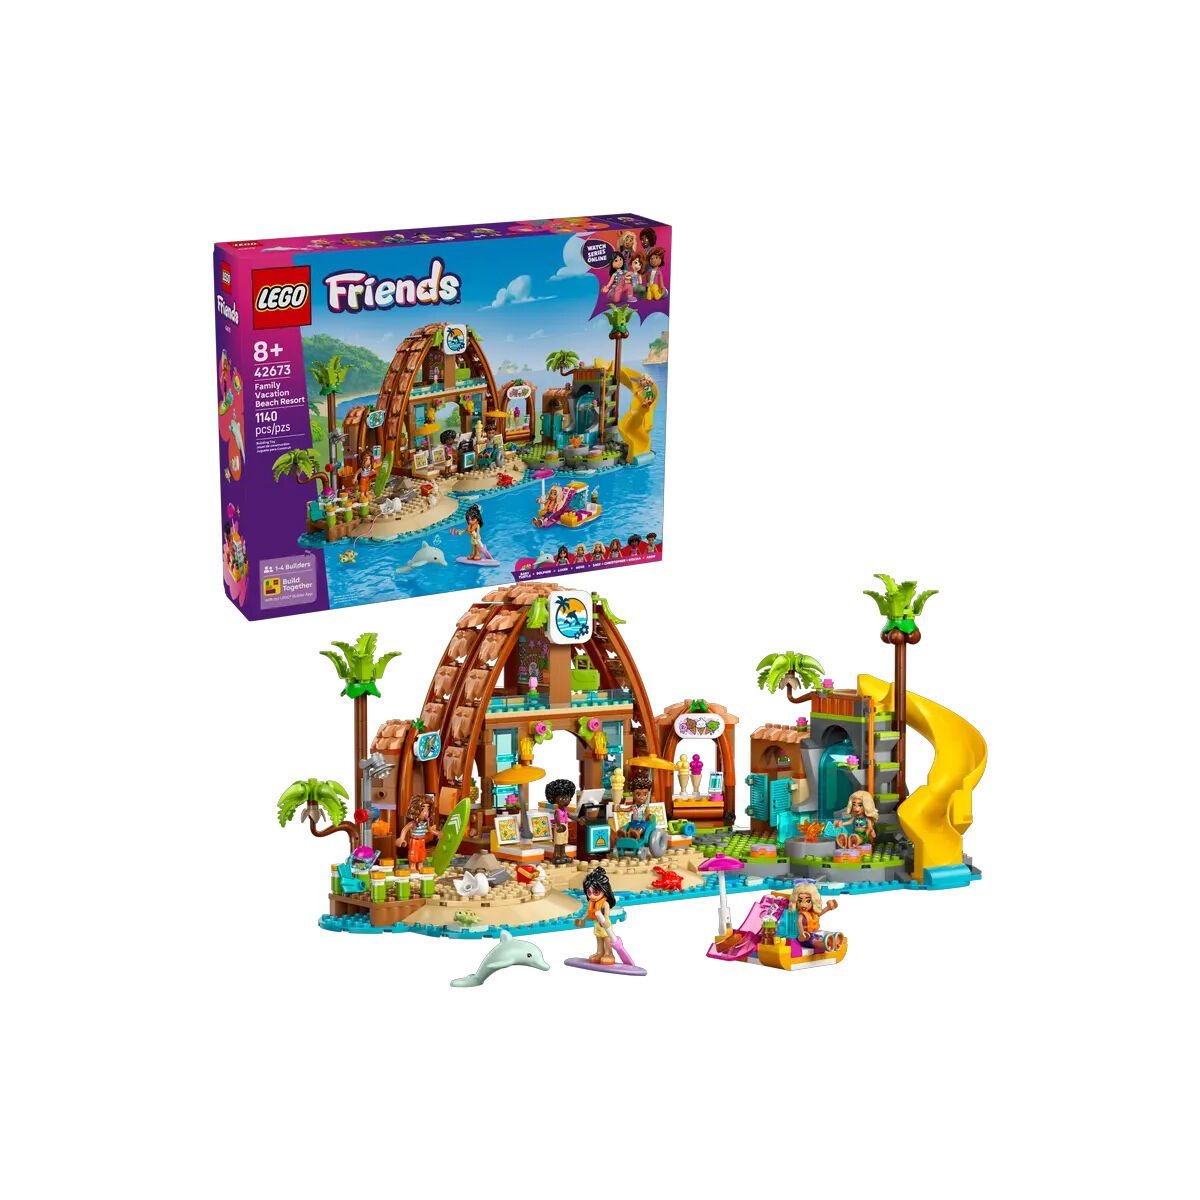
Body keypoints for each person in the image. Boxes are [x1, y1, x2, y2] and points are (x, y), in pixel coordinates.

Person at [575, 866, 618, 964]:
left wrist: (606, 921)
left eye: (595, 892)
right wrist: (583, 919)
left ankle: (609, 953)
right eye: (589, 892)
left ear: (604, 890)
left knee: (607, 939)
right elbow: (589, 912)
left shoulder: (605, 903)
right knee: (598, 939)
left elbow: (606, 915)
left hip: (605, 925)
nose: (592, 895)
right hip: (597, 924)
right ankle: (599, 952)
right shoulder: (592, 903)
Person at [788, 883, 843, 953]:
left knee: (819, 938)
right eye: (800, 901)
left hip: (812, 934)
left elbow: (818, 914)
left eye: (808, 901)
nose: (803, 905)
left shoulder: (811, 913)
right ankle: (827, 944)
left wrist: (828, 908)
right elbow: (799, 922)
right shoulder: (801, 915)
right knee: (814, 942)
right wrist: (802, 933)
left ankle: (833, 941)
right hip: (804, 938)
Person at [399, 794, 438, 871]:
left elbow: (430, 829)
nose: (426, 813)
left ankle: (420, 865)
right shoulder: (413, 823)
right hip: (414, 841)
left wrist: (437, 833)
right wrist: (401, 839)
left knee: (422, 854)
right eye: (423, 809)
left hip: (422, 841)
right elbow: (405, 829)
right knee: (413, 854)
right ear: (415, 810)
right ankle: (412, 866)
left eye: (428, 809)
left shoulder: (426, 823)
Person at [545, 778, 575, 866]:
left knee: (564, 842)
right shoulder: (557, 811)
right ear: (555, 799)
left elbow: (570, 816)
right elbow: (556, 817)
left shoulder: (565, 810)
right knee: (558, 842)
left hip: (565, 826)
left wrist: (578, 819)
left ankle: (563, 854)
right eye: (562, 798)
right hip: (560, 827)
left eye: (567, 797)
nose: (565, 800)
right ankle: (557, 855)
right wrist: (558, 825)